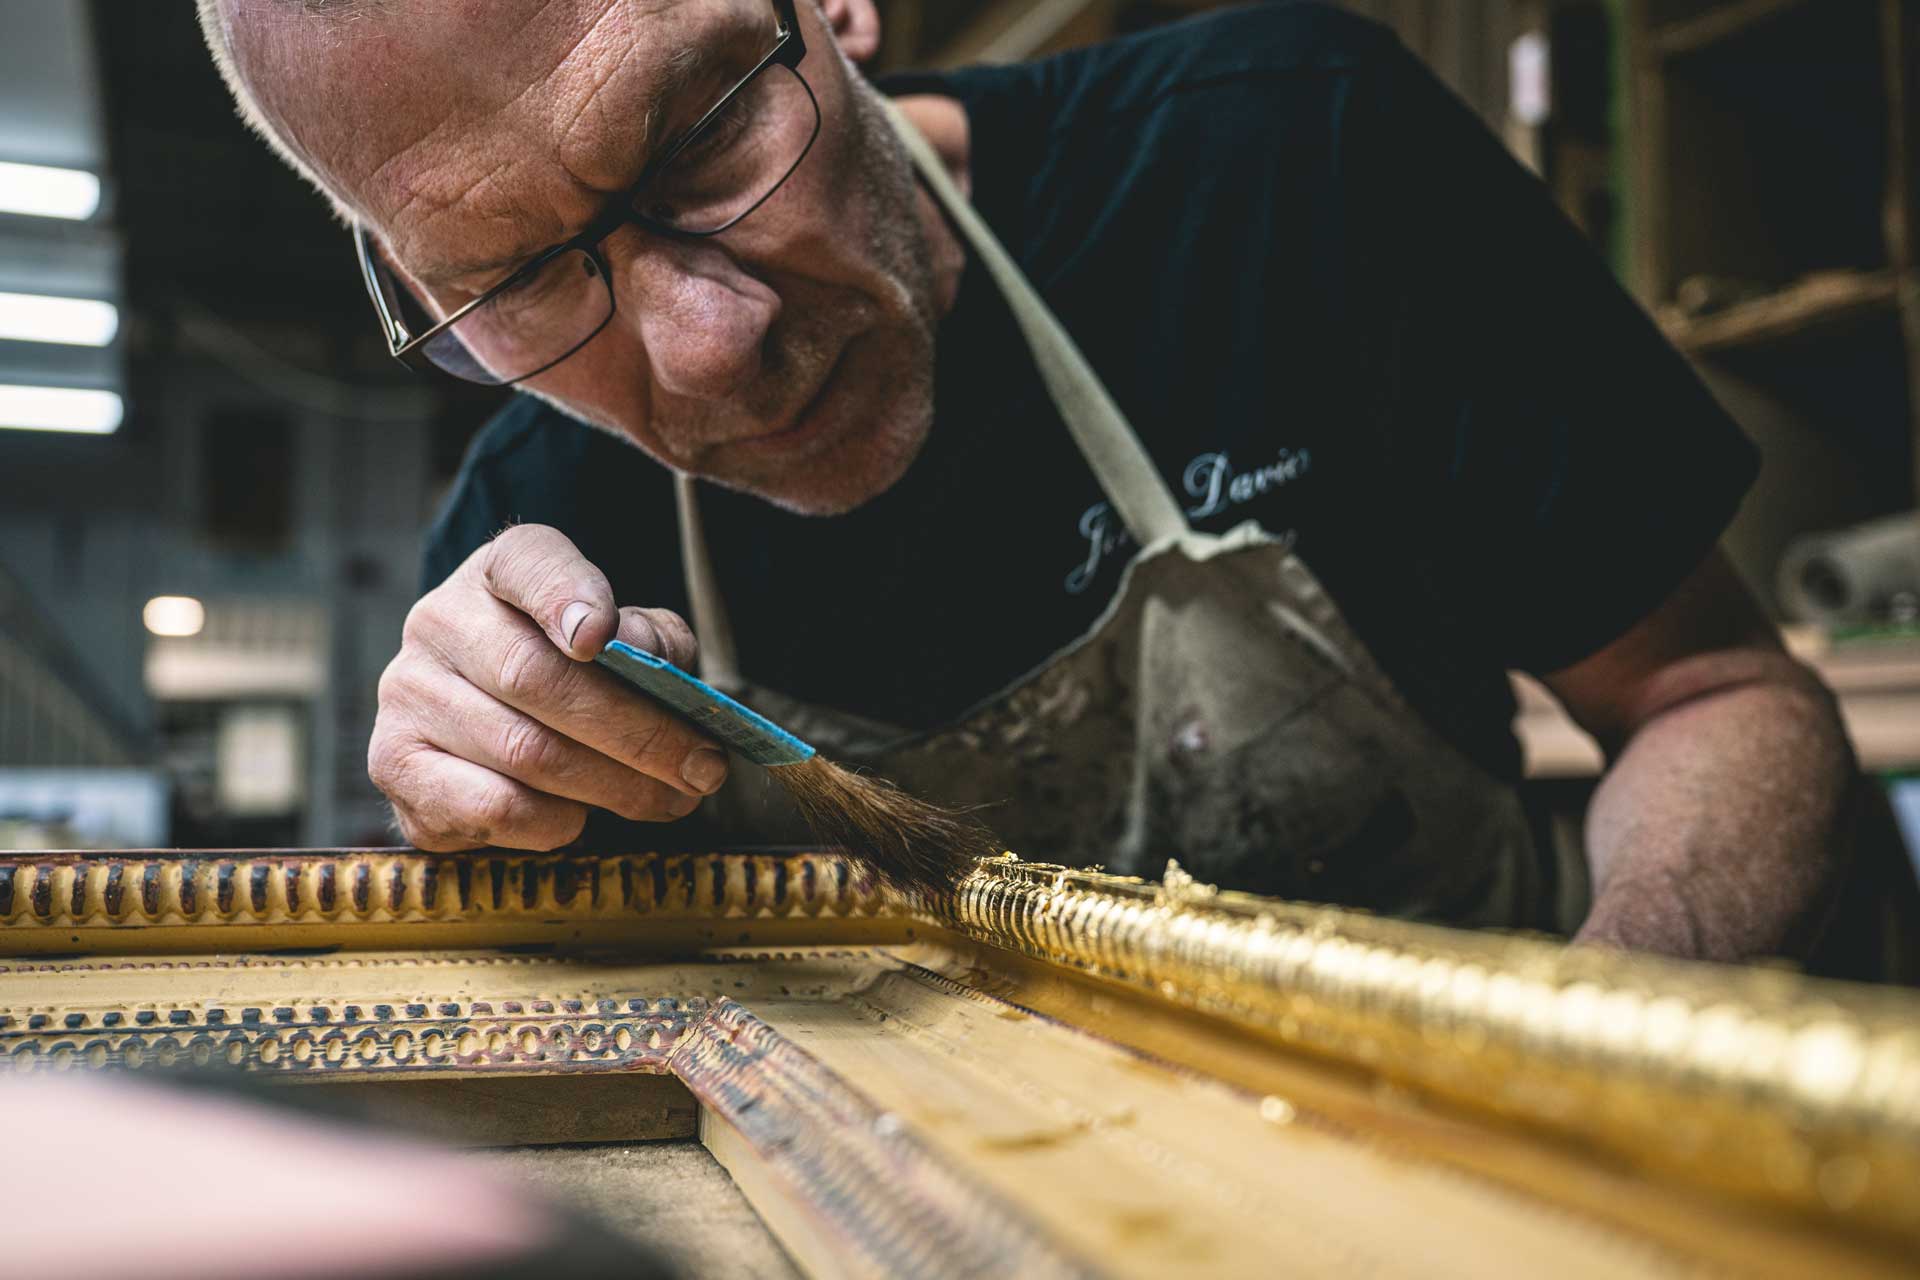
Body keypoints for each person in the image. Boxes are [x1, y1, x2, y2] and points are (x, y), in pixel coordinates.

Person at [196, 0, 1883, 970]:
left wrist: (1597, 1049)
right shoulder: (526, 527)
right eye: (517, 280)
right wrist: (478, 816)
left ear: (835, 10)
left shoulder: (1286, 162)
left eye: (706, 135)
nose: (704, 348)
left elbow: (1719, 698)